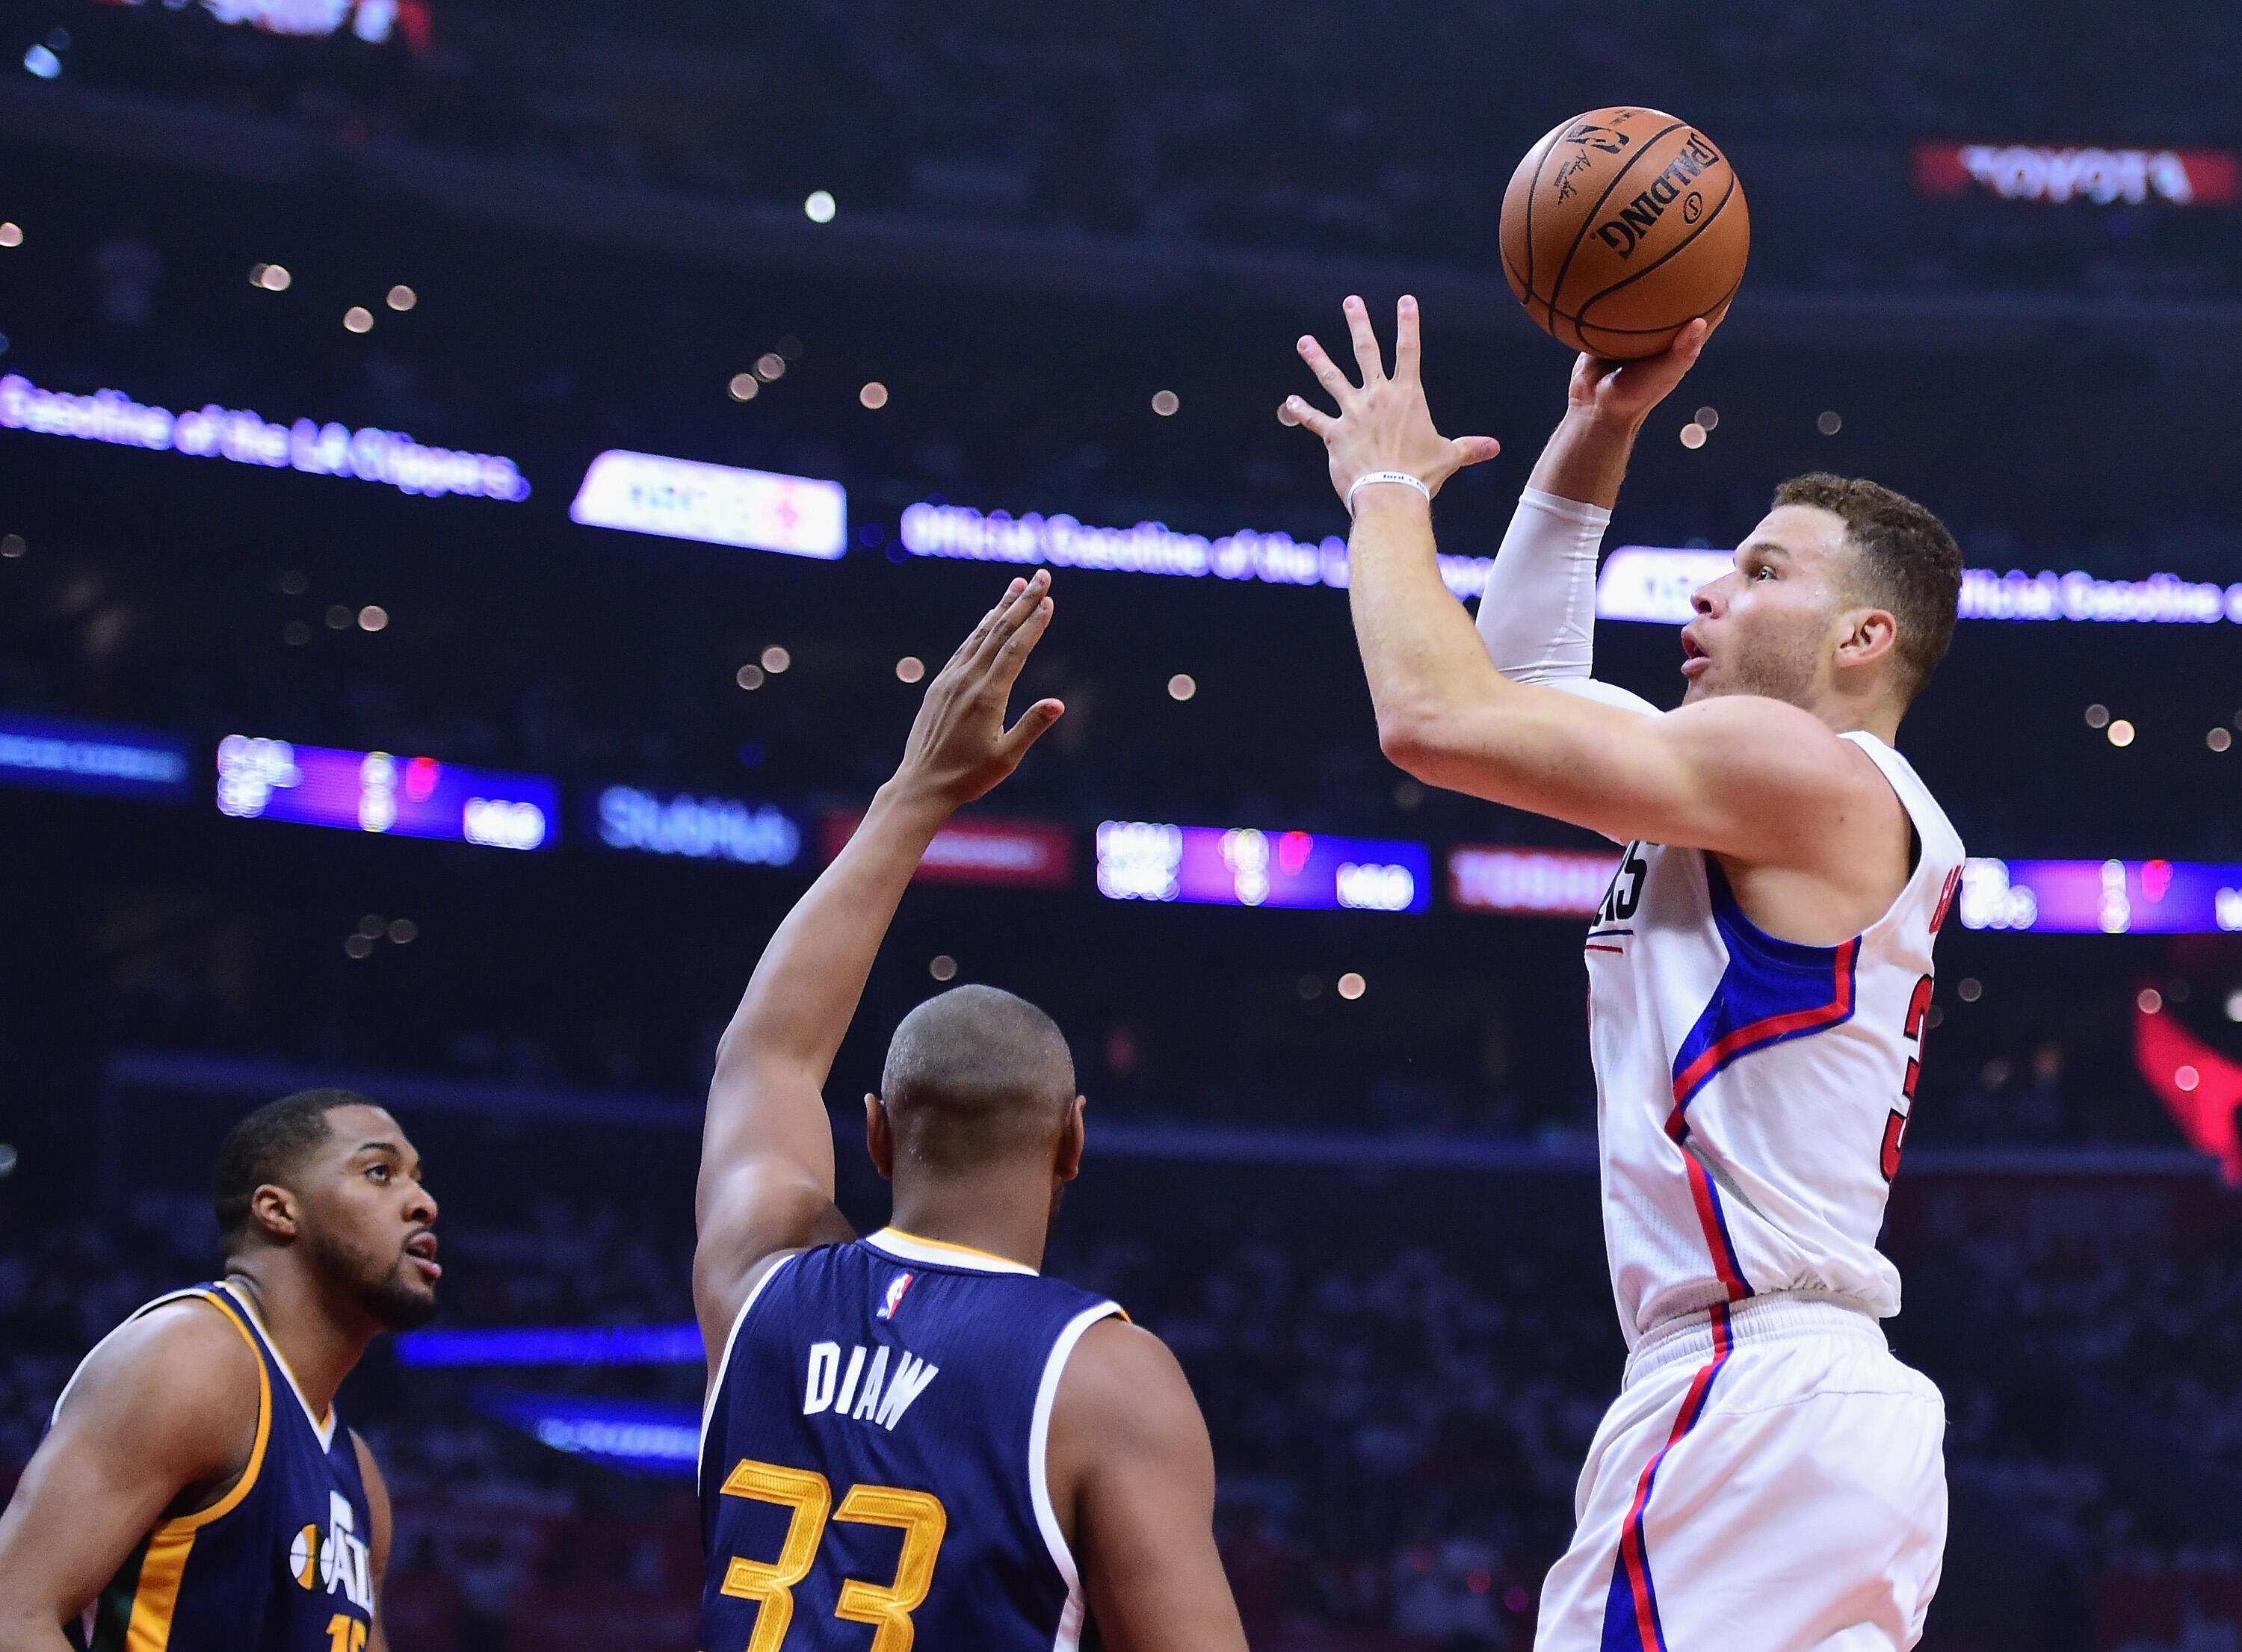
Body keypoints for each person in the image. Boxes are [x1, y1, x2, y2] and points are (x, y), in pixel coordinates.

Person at [1285, 297, 1965, 1652]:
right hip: (1804, 1399)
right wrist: (1603, 424)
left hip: (1748, 1387)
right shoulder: (1753, 793)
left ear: (1863, 639)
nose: (1711, 589)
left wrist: (1384, 493)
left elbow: (1436, 715)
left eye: (1765, 572)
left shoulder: (1807, 775)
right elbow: (1523, 672)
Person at [693, 570, 1249, 1652]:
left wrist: (913, 793)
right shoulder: (1103, 1376)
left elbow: (766, 1051)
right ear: (1072, 1141)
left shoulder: (756, 1285)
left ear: (878, 1131)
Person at [0, 1090, 440, 1652]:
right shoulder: (191, 1359)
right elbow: (12, 1613)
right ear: (277, 1209)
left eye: (418, 1178)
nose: (423, 1201)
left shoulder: (359, 1475)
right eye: (380, 1172)